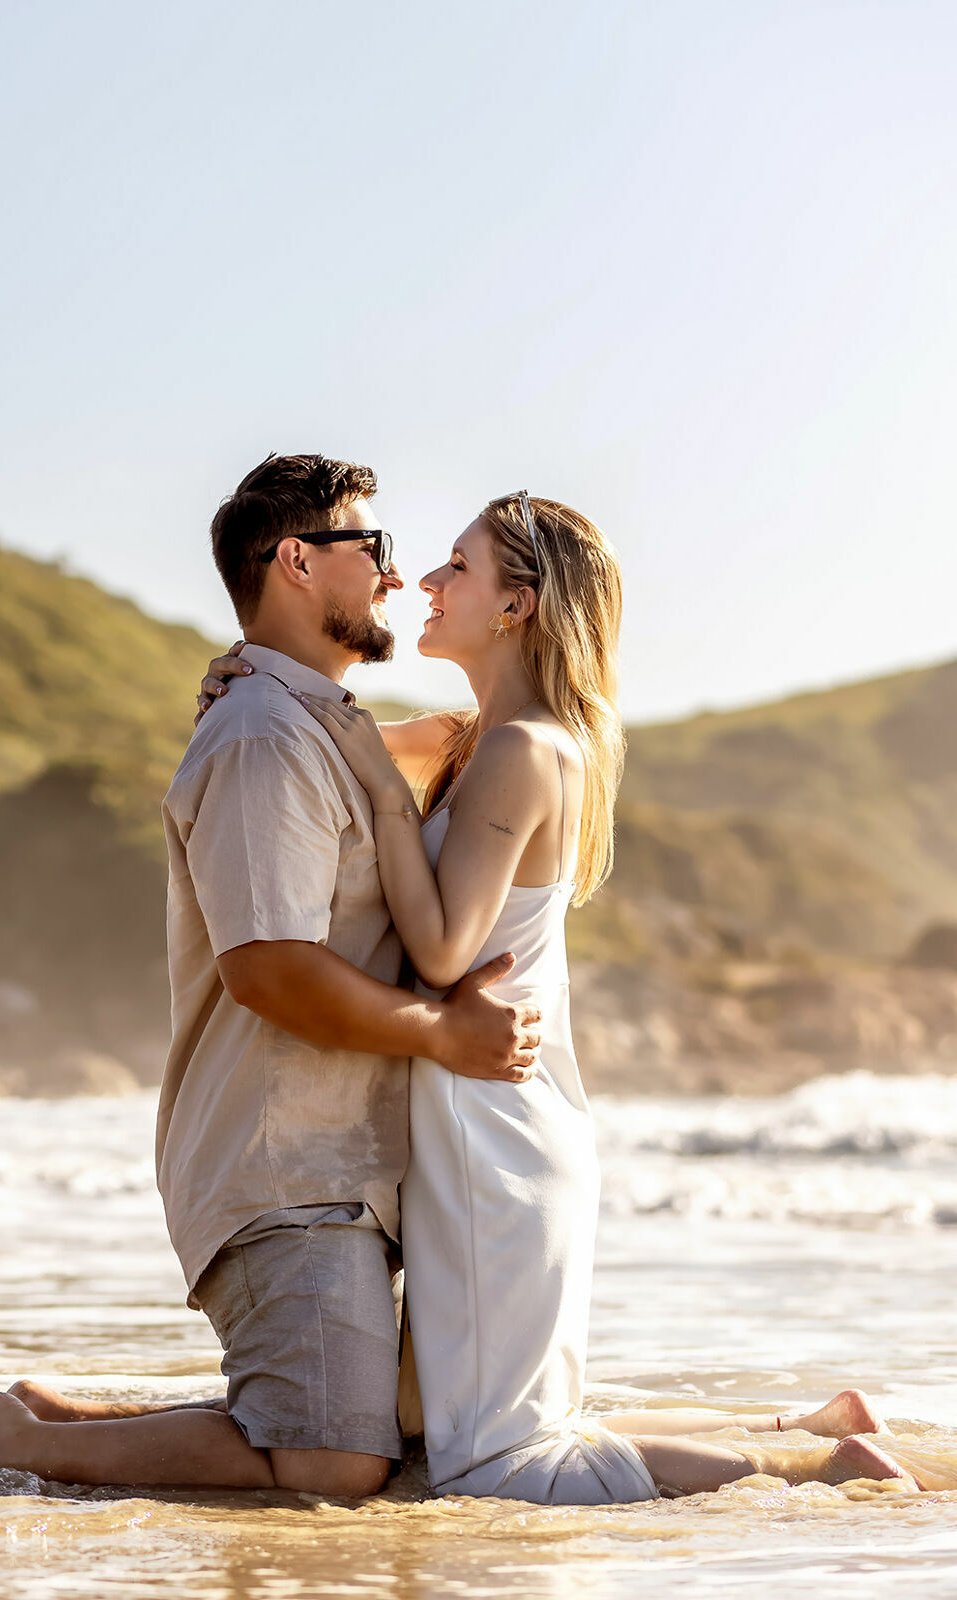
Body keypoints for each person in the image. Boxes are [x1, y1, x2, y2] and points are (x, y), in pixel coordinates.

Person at [190, 490, 918, 1501]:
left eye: (456, 566)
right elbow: (320, 740)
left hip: (489, 1118)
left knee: (497, 1457)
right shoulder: (475, 735)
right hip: (481, 1105)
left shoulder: (522, 749)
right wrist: (247, 679)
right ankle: (807, 1426)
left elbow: (442, 951)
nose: (424, 581)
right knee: (479, 1417)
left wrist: (378, 787)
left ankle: (812, 1469)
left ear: (516, 605)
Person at [0, 453, 543, 1494]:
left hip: (345, 1161)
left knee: (370, 1431)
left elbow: (484, 738)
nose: (396, 576)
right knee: (333, 1461)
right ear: (297, 562)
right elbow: (268, 968)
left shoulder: (312, 721)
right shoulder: (265, 737)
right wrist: (442, 1033)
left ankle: (42, 1416)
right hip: (284, 1163)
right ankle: (11, 1443)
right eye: (375, 547)